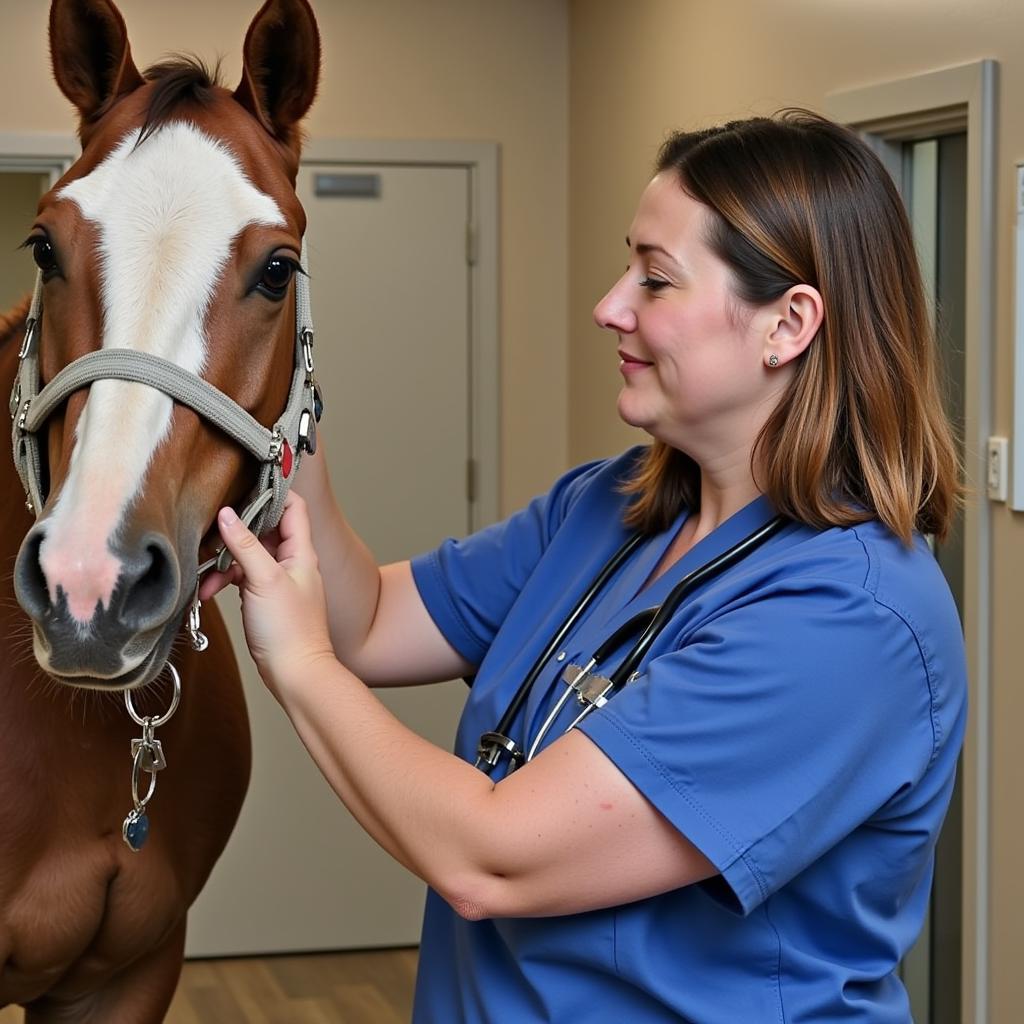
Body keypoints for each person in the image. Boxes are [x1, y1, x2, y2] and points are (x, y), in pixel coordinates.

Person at [204, 109, 967, 1023]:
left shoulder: (853, 620)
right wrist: (280, 387)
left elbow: (493, 857)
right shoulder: (607, 506)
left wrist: (299, 666)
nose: (612, 305)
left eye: (656, 278)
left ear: (789, 323)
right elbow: (365, 619)